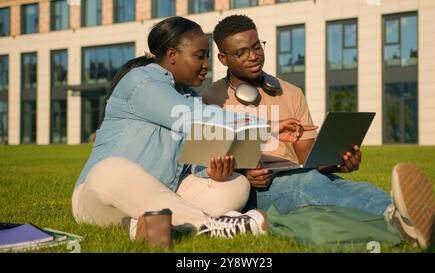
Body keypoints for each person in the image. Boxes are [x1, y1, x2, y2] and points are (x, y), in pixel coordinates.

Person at [201, 14, 435, 249]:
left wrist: (335, 162)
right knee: (308, 183)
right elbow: (207, 160)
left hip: (300, 177)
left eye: (257, 46)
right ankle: (413, 220)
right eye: (241, 52)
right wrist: (244, 173)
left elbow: (306, 159)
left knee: (360, 189)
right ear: (223, 59)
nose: (253, 56)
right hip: (254, 191)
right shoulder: (212, 99)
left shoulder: (290, 92)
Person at [71, 16, 304, 241]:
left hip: (164, 198)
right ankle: (211, 225)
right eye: (200, 56)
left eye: (208, 57)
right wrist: (267, 127)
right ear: (172, 55)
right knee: (110, 170)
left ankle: (151, 226)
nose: (206, 65)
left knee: (236, 183)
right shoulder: (140, 82)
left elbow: (195, 162)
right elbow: (188, 118)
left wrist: (213, 172)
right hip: (100, 198)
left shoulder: (192, 98)